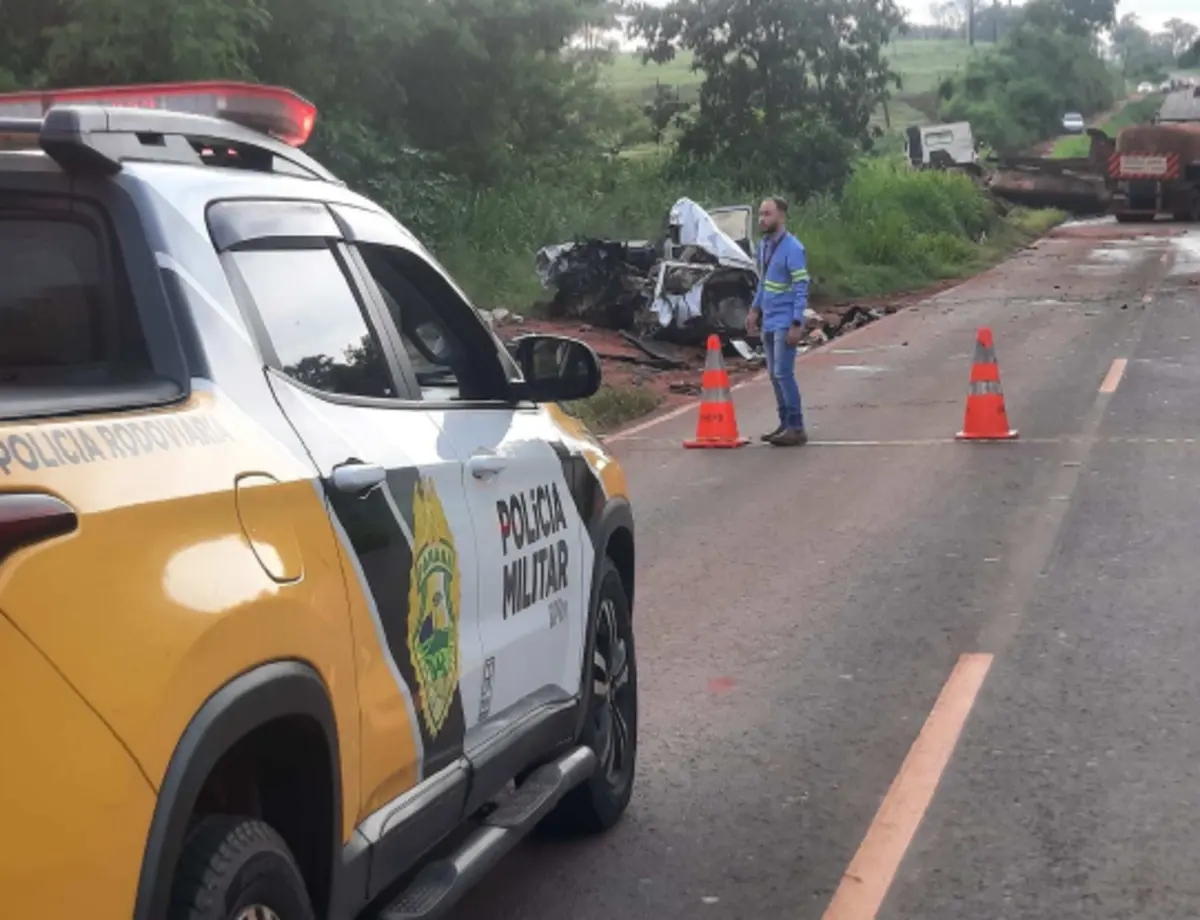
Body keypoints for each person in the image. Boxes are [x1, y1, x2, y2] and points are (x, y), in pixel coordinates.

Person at [746, 196, 809, 446]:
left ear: (781, 216)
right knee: (774, 374)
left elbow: (801, 285)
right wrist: (754, 310)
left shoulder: (793, 248)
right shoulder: (764, 247)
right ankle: (784, 424)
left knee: (783, 373)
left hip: (785, 321)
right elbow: (763, 282)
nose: (762, 219)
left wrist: (796, 323)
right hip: (769, 320)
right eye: (761, 214)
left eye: (768, 214)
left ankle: (796, 426)